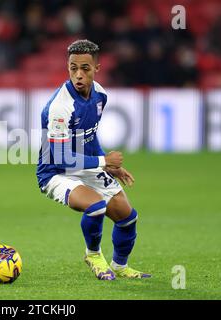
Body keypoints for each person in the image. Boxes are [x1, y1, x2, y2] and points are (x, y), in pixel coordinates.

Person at [36, 39, 151, 280]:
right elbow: (60, 157)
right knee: (96, 205)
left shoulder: (100, 95)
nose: (78, 75)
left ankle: (120, 265)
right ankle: (93, 254)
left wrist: (109, 167)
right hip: (55, 172)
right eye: (73, 68)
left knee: (128, 217)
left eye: (85, 69)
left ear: (97, 68)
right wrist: (102, 162)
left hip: (84, 163)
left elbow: (89, 135)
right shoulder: (59, 107)